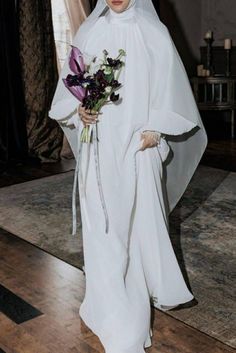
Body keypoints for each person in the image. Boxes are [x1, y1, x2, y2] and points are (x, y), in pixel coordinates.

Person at [48, 0, 208, 352]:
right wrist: (80, 112)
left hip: (136, 149)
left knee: (132, 229)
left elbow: (171, 93)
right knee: (102, 227)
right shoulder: (90, 30)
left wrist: (157, 129)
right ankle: (103, 304)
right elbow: (71, 89)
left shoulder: (154, 33)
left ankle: (128, 317)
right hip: (99, 150)